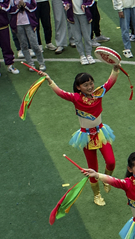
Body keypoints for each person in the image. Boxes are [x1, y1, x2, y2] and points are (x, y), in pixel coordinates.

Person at [46, 68, 121, 205]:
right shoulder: (76, 98)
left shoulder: (98, 93)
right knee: (92, 168)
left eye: (91, 83)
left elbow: (110, 82)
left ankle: (106, 179)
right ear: (78, 87)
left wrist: (115, 69)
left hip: (101, 133)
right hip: (86, 137)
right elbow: (61, 93)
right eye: (85, 85)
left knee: (111, 161)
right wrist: (50, 81)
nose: (90, 87)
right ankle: (97, 195)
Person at [7, 0, 45, 71]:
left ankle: (41, 63)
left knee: (34, 44)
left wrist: (25, 5)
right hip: (17, 23)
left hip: (29, 22)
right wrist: (17, 7)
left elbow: (34, 6)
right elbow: (8, 9)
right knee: (23, 45)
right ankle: (30, 64)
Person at [61, 0, 96, 65]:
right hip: (73, 16)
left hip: (85, 15)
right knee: (77, 37)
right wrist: (66, 4)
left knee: (87, 36)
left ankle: (89, 54)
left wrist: (85, 5)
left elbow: (91, 0)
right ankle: (82, 55)